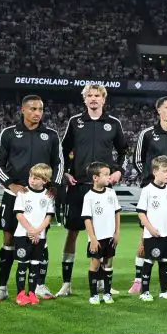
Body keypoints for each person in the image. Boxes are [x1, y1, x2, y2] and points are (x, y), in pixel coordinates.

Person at [0, 95, 63, 303]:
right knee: (8, 240)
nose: (37, 113)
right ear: (23, 110)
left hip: (41, 198)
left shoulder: (50, 135)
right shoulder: (9, 133)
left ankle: (39, 285)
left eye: (40, 109)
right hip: (15, 195)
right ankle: (2, 287)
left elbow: (58, 163)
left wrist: (53, 186)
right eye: (33, 109)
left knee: (41, 239)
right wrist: (10, 184)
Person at [58, 84, 128, 298]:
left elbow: (124, 152)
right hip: (79, 186)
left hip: (104, 191)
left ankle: (102, 284)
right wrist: (66, 173)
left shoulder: (113, 123)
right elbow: (62, 150)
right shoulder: (75, 122)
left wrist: (118, 172)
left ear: (103, 99)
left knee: (106, 235)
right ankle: (66, 283)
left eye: (97, 95)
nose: (93, 99)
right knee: (72, 233)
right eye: (89, 95)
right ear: (85, 99)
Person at [131, 96, 167, 293]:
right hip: (151, 189)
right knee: (146, 233)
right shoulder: (147, 134)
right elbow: (138, 161)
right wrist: (151, 180)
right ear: (159, 110)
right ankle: (139, 279)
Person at [135, 155, 167, 301]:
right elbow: (141, 213)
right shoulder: (147, 190)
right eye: (165, 170)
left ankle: (164, 290)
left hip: (166, 234)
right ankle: (145, 292)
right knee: (149, 261)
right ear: (155, 171)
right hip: (152, 234)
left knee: (164, 262)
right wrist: (150, 229)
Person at [13, 163, 56, 305]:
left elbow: (48, 217)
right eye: (31, 176)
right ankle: (20, 294)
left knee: (35, 265)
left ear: (45, 180)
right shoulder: (22, 193)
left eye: (37, 178)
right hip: (22, 235)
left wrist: (38, 231)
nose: (32, 180)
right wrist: (31, 231)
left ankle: (31, 292)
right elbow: (19, 215)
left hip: (39, 236)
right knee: (22, 265)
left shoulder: (49, 195)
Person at [82, 162, 121, 304]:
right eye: (105, 174)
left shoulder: (111, 193)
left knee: (108, 263)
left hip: (110, 237)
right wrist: (92, 239)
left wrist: (117, 233)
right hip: (96, 238)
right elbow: (87, 219)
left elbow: (117, 213)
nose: (109, 177)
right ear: (95, 178)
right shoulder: (89, 197)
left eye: (109, 174)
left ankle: (107, 293)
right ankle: (93, 295)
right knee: (95, 264)